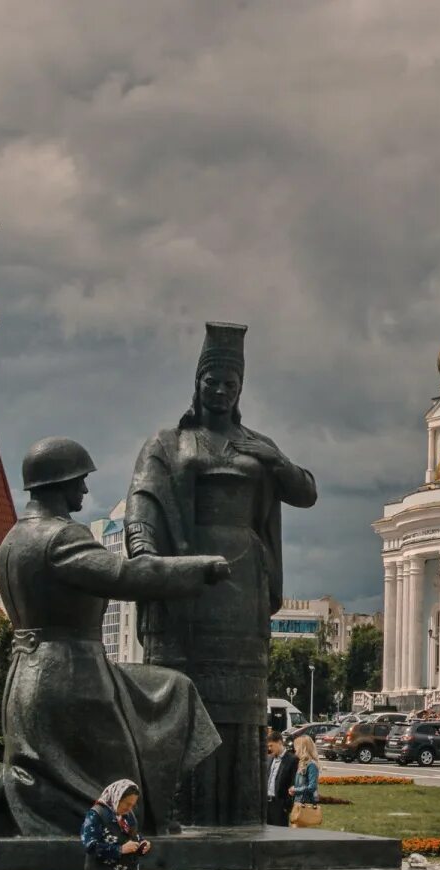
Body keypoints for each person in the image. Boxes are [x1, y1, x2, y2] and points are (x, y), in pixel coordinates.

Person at [0, 437, 228, 838]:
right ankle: (2, 792)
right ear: (60, 482)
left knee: (171, 691)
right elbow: (125, 575)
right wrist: (200, 569)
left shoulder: (14, 538)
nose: (84, 489)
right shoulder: (61, 537)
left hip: (31, 673)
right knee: (108, 783)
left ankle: (149, 809)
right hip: (71, 676)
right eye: (79, 480)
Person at [126, 322, 318, 828]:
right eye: (211, 381)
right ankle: (178, 810)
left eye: (229, 383)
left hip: (244, 583)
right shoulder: (169, 441)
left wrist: (275, 460)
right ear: (198, 382)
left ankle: (238, 812)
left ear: (239, 390)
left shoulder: (258, 444)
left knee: (239, 700)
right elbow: (143, 503)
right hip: (188, 582)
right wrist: (147, 557)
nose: (219, 390)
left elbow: (305, 492)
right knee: (182, 695)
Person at [264, 733, 296, 827]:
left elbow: (293, 783)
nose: (269, 749)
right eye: (268, 746)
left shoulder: (292, 760)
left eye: (271, 745)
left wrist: (287, 805)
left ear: (279, 742)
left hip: (280, 805)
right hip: (266, 804)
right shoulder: (269, 758)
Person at [291, 735, 319, 817]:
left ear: (302, 748)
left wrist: (295, 790)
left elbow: (312, 787)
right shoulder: (301, 763)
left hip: (306, 803)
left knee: (300, 828)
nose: (295, 750)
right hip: (298, 802)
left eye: (296, 747)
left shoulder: (311, 765)